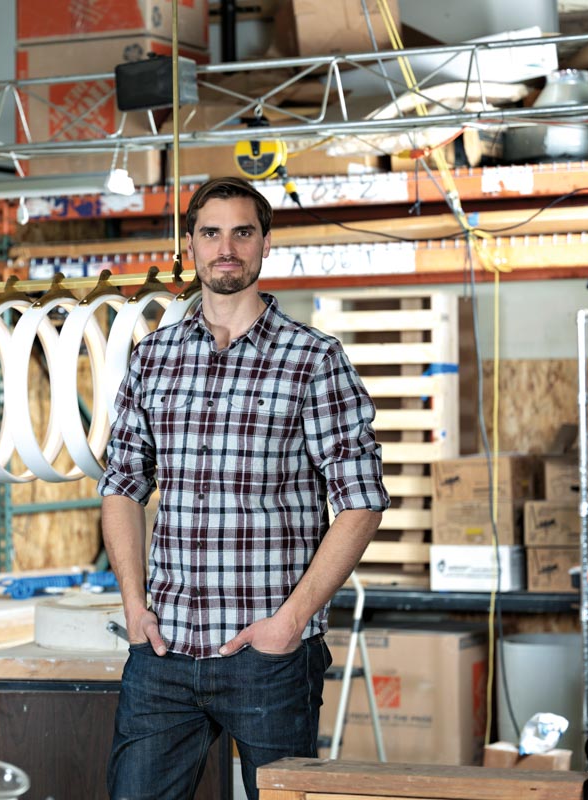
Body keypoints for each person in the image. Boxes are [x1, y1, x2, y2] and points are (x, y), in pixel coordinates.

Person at [97, 176, 390, 800]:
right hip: (164, 649)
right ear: (190, 244)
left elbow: (361, 500)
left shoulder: (313, 359)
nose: (225, 247)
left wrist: (291, 622)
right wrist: (132, 603)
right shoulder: (152, 358)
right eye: (210, 232)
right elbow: (122, 485)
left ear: (263, 244)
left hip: (269, 656)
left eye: (241, 232)